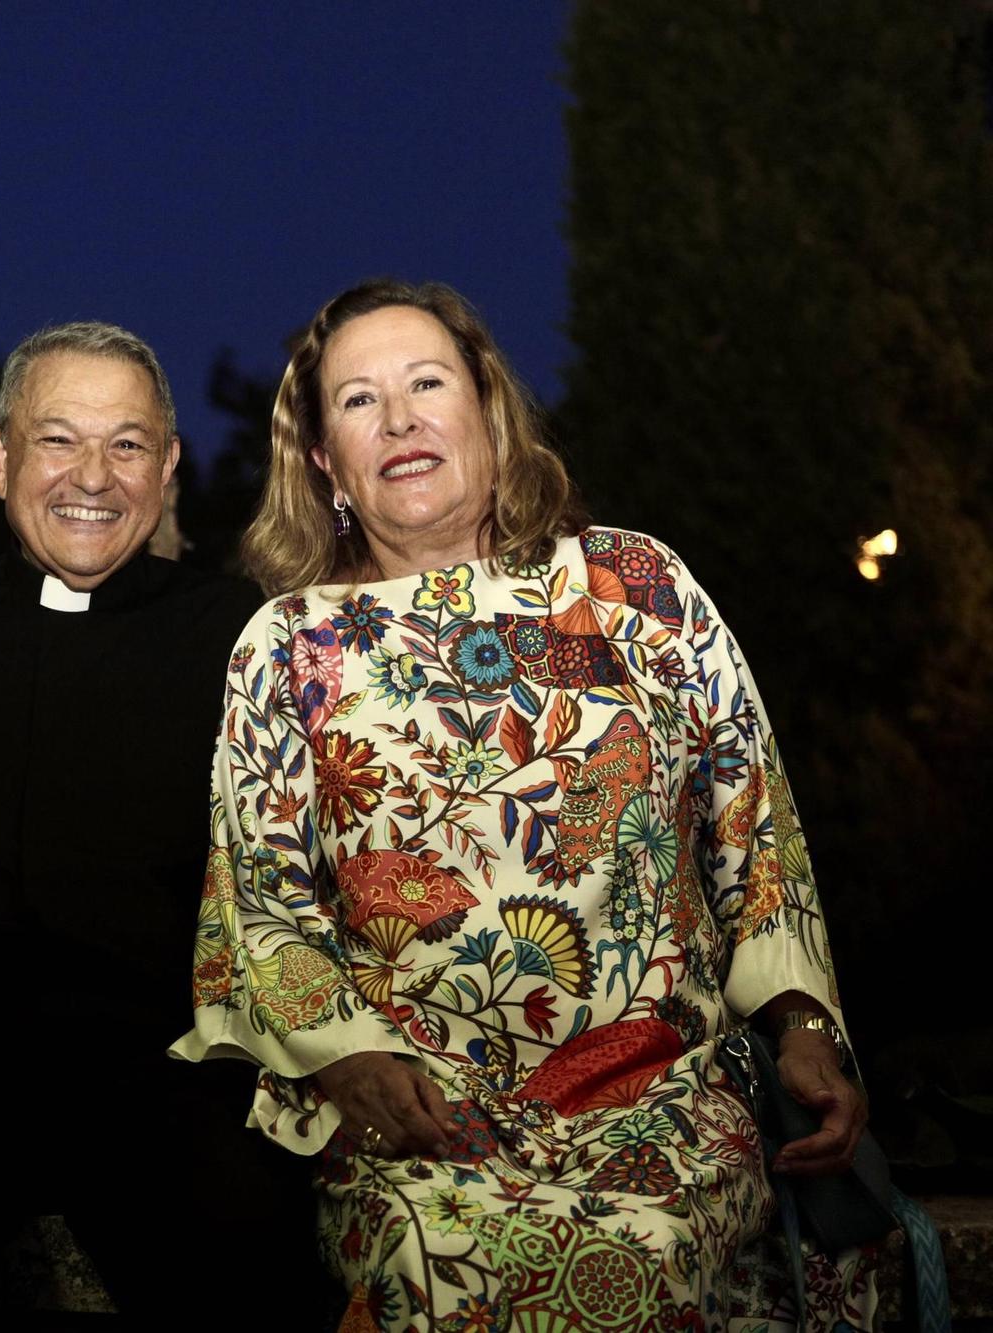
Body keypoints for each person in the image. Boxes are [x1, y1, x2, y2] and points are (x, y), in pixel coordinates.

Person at [175, 278, 875, 1330]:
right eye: (358, 401)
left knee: (640, 1251)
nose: (400, 418)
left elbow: (752, 828)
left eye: (425, 383)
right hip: (419, 1119)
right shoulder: (285, 645)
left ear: (487, 411)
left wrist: (800, 1018)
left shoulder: (635, 584)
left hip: (660, 1098)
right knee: (428, 1265)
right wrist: (348, 1056)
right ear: (324, 460)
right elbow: (262, 901)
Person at [0, 322, 338, 1325]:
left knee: (254, 1262)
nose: (93, 475)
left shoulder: (240, 639)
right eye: (56, 440)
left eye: (126, 444)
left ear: (167, 466)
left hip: (154, 1074)